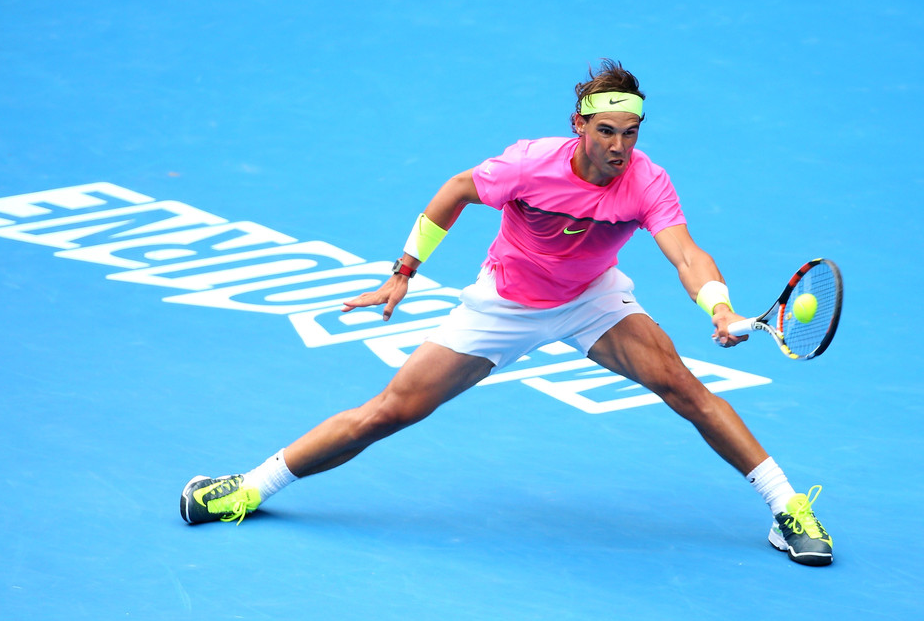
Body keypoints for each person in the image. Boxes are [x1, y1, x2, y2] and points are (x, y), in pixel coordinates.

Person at [179, 59, 834, 567]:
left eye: (630, 134)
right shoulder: (527, 165)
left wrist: (716, 305)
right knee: (388, 411)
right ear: (579, 125)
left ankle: (787, 507)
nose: (618, 147)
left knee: (683, 386)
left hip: (591, 298)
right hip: (505, 303)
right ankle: (247, 487)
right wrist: (403, 271)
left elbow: (686, 252)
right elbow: (456, 191)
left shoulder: (647, 180)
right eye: (606, 131)